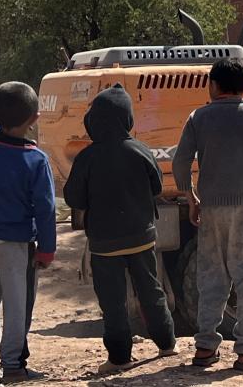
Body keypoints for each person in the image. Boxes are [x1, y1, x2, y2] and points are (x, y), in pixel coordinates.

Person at [172, 57, 243, 372]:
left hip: (211, 209)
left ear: (213, 85)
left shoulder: (198, 117)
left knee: (211, 278)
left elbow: (181, 163)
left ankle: (206, 347)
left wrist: (191, 197)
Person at [63, 85, 179, 373]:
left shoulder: (87, 158)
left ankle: (119, 358)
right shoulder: (140, 150)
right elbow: (157, 187)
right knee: (151, 290)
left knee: (112, 301)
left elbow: (73, 198)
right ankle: (167, 344)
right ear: (127, 118)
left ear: (93, 121)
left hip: (105, 243)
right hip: (142, 236)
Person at [0, 82, 57, 384]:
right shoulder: (36, 160)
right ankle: (13, 365)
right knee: (17, 306)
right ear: (35, 119)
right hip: (17, 243)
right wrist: (47, 249)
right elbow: (45, 209)